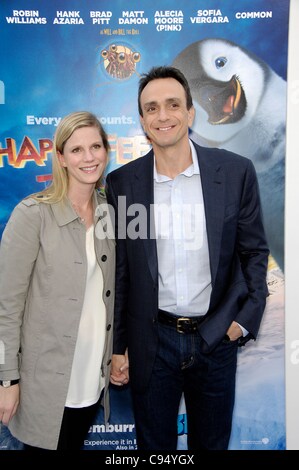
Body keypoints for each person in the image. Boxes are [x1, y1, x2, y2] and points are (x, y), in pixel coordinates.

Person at [106, 66, 269, 450]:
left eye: (172, 104)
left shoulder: (234, 172)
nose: (163, 116)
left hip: (216, 338)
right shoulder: (123, 184)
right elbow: (123, 273)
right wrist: (119, 346)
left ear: (191, 113)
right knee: (154, 450)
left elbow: (254, 253)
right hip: (153, 343)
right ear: (143, 121)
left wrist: (241, 322)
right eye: (152, 108)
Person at [0, 111, 115, 450]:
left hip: (91, 375)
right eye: (77, 150)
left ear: (107, 151)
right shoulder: (32, 214)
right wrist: (7, 378)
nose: (89, 157)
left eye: (96, 146)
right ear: (61, 158)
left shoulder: (111, 211)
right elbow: (6, 306)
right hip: (45, 382)